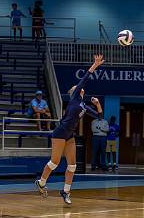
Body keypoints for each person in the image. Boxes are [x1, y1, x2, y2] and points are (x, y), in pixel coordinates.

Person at [35, 54, 105, 205]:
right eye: (77, 88)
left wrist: (98, 104)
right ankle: (41, 182)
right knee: (54, 162)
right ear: (75, 91)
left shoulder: (84, 106)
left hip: (69, 135)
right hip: (60, 133)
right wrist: (95, 65)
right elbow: (85, 77)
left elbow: (99, 117)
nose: (79, 88)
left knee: (72, 165)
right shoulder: (74, 98)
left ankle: (65, 192)